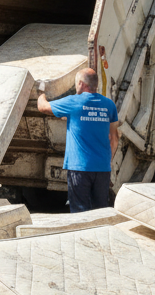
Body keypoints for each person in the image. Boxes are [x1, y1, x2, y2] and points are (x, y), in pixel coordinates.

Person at [37, 68, 119, 213]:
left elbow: (42, 107)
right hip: (102, 169)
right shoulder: (109, 105)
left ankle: (84, 236)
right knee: (100, 212)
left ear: (81, 84)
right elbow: (114, 139)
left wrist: (41, 93)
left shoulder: (73, 102)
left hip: (79, 169)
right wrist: (108, 162)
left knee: (80, 214)